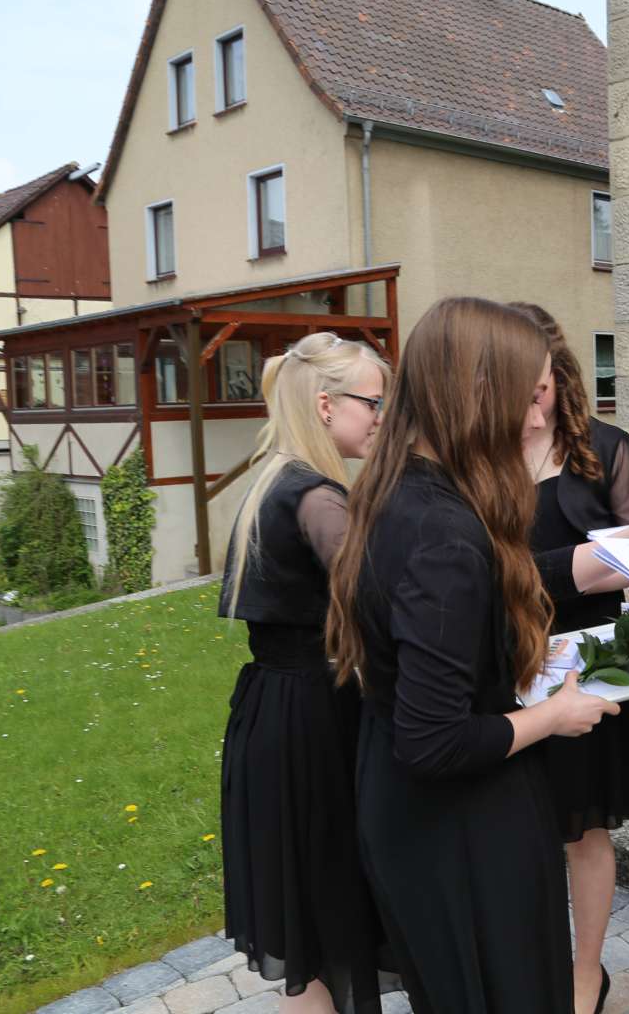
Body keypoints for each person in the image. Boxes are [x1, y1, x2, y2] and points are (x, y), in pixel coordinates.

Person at [325, 297, 629, 1014]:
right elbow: (434, 739)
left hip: (420, 820)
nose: (537, 420)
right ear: (478, 396)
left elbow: (491, 582)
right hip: (460, 830)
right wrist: (555, 716)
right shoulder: (441, 530)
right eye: (528, 397)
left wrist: (611, 555)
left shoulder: (405, 491)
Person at [217, 332, 392, 1014]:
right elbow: (382, 604)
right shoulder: (316, 496)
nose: (382, 415)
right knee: (331, 908)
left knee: (312, 925)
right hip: (313, 721)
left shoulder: (273, 475)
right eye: (373, 402)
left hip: (273, 710)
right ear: (326, 404)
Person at [513, 302, 629, 1014]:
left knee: (584, 828)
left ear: (557, 372)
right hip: (508, 660)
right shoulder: (482, 453)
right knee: (517, 826)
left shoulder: (605, 446)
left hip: (594, 662)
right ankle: (529, 964)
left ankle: (585, 974)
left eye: (537, 387)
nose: (529, 404)